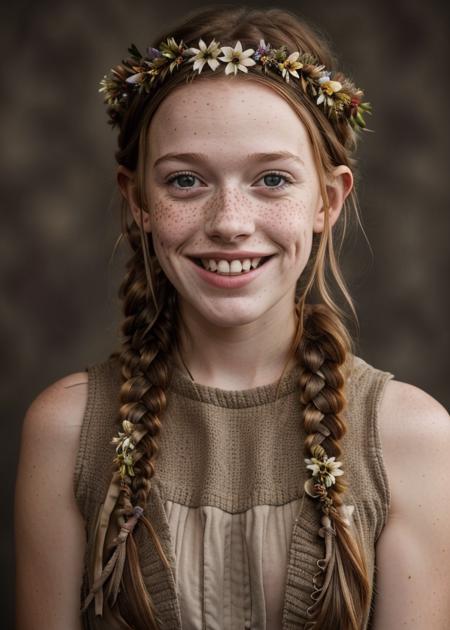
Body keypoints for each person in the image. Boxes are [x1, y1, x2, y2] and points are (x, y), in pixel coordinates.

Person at [14, 5, 450, 630]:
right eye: (186, 180)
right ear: (137, 201)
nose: (229, 222)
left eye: (272, 178)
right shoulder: (67, 431)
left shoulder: (412, 440)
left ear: (327, 201)